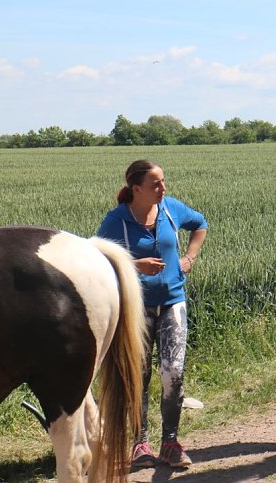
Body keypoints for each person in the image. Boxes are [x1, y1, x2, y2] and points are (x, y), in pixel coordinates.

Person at [97, 159, 208, 469]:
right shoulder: (116, 221)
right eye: (156, 184)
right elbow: (98, 258)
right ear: (136, 189)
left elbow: (200, 224)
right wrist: (135, 266)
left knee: (173, 372)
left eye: (163, 182)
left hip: (173, 301)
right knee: (138, 376)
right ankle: (139, 444)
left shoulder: (171, 208)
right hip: (136, 307)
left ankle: (170, 443)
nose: (163, 188)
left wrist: (189, 257)